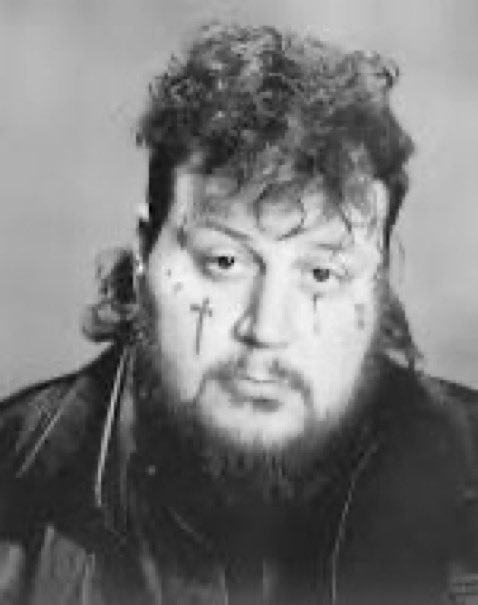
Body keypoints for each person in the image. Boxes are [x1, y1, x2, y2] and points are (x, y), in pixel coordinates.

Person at [1, 22, 477, 605]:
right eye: (224, 261)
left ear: (377, 287)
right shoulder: (14, 486)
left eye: (321, 274)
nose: (267, 329)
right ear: (145, 251)